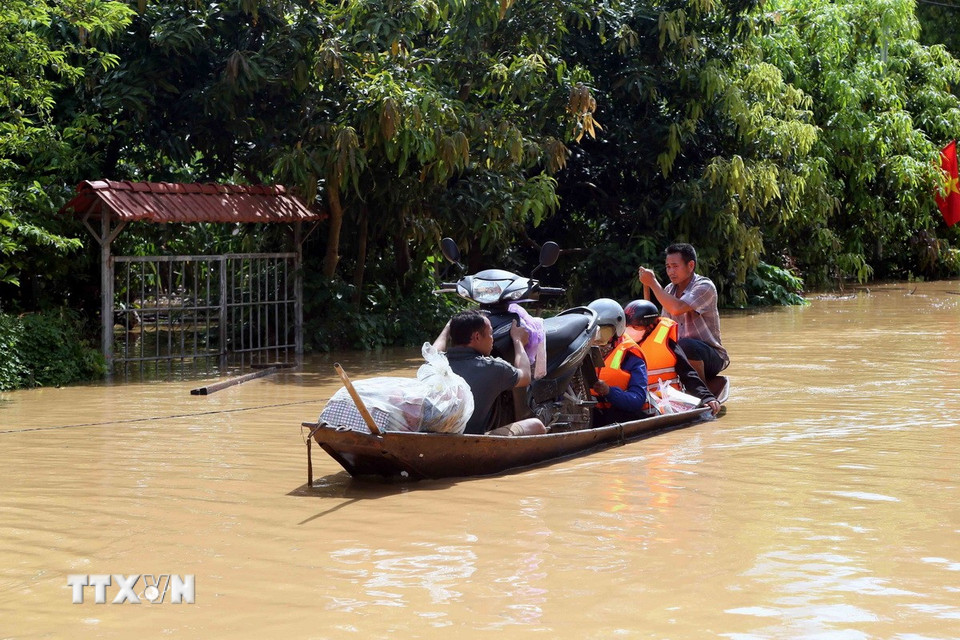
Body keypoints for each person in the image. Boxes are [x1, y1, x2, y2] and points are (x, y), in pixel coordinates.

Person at [432, 310, 546, 436]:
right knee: (537, 425)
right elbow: (525, 376)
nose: (492, 339)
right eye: (490, 333)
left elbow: (433, 350)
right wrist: (518, 341)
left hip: (436, 437)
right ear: (477, 337)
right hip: (473, 442)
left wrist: (449, 327)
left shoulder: (435, 363)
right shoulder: (494, 368)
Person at [638, 242, 729, 381]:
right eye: (668, 267)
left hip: (710, 357)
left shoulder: (704, 286)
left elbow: (677, 308)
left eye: (675, 266)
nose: (670, 272)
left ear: (691, 265)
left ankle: (701, 391)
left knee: (686, 345)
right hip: (681, 353)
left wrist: (653, 283)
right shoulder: (669, 290)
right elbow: (664, 327)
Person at [624, 299, 721, 416]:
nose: (629, 330)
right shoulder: (622, 345)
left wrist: (707, 397)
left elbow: (688, 374)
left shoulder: (668, 344)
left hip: (667, 403)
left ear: (650, 327)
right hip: (635, 402)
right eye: (627, 326)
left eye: (635, 327)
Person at [587, 298, 649, 426]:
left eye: (603, 333)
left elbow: (637, 400)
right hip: (590, 414)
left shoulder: (631, 356)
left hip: (620, 415)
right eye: (594, 332)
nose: (597, 340)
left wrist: (609, 391)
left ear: (617, 329)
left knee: (616, 415)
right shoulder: (581, 350)